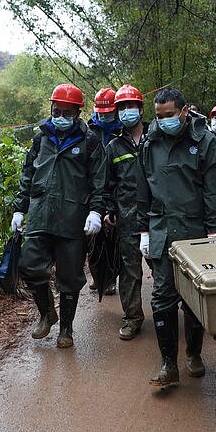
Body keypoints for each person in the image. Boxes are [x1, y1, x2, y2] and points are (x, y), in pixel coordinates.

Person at [138, 87, 216, 386]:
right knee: (161, 297)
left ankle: (194, 354)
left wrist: (215, 230)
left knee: (193, 299)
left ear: (185, 112)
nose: (164, 121)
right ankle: (167, 363)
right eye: (159, 116)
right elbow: (143, 188)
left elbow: (214, 189)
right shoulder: (150, 144)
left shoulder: (205, 142)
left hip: (195, 232)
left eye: (170, 115)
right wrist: (143, 230)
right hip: (162, 230)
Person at [13, 83, 107, 348]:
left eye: (68, 112)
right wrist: (20, 208)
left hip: (72, 219)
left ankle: (66, 329)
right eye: (57, 110)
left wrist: (96, 211)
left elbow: (99, 181)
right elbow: (28, 174)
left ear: (78, 112)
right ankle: (47, 313)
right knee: (28, 266)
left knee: (70, 277)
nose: (61, 116)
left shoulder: (89, 142)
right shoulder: (41, 138)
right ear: (51, 108)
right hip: (40, 214)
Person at [104, 84, 148, 339]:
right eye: (122, 108)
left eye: (131, 106)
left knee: (166, 270)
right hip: (127, 218)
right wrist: (110, 209)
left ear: (141, 109)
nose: (126, 112)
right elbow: (108, 184)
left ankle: (175, 315)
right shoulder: (114, 147)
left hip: (157, 217)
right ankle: (133, 318)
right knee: (130, 272)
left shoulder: (156, 140)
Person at [87, 87, 122, 295]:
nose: (104, 117)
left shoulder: (122, 129)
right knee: (94, 238)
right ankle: (97, 275)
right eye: (101, 113)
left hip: (116, 186)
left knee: (113, 239)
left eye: (108, 113)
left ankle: (110, 278)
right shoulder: (90, 129)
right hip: (94, 187)